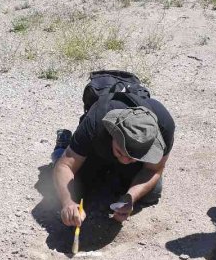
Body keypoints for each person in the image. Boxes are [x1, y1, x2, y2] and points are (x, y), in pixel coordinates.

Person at [53, 93, 174, 228]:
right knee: (69, 184)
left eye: (132, 157)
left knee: (153, 193)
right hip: (96, 151)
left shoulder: (164, 127)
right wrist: (68, 202)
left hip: (117, 153)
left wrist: (130, 197)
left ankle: (116, 170)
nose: (125, 161)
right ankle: (63, 144)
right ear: (112, 133)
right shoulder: (96, 119)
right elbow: (66, 166)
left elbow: (154, 169)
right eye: (120, 152)